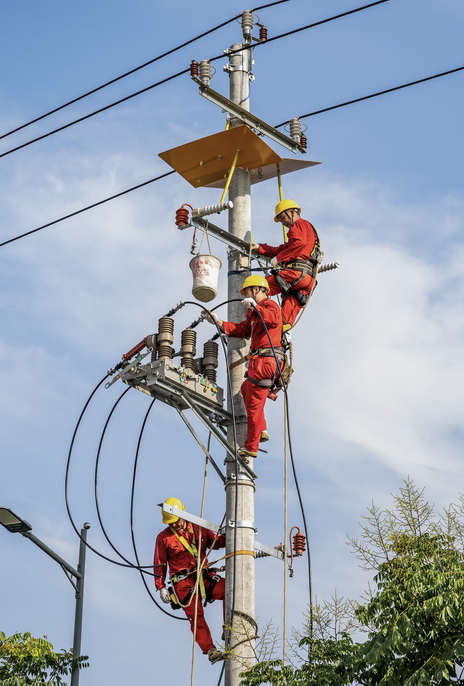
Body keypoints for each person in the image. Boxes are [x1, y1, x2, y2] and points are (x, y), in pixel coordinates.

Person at [214, 274, 283, 458]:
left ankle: (251, 447)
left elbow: (274, 319)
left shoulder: (269, 305)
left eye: (248, 291)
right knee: (246, 390)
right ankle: (262, 429)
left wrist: (256, 306)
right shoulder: (255, 313)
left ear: (258, 290)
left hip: (265, 362)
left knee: (253, 407)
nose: (247, 294)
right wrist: (219, 323)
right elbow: (243, 330)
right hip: (261, 362)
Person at [153, 497, 227, 663]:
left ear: (182, 515)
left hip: (204, 575)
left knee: (229, 590)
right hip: (183, 582)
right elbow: (159, 563)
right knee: (196, 615)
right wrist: (161, 587)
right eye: (169, 523)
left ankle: (228, 629)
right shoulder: (163, 538)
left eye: (175, 521)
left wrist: (233, 535)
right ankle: (210, 650)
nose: (173, 525)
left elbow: (215, 542)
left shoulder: (198, 527)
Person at [253, 199, 321, 330]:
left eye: (283, 217)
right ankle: (282, 337)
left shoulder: (299, 225)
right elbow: (283, 249)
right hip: (308, 281)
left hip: (295, 274)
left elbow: (297, 244)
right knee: (284, 322)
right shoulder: (308, 231)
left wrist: (279, 258)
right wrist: (260, 248)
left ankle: (252, 322)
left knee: (256, 289)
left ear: (292, 212)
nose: (283, 222)